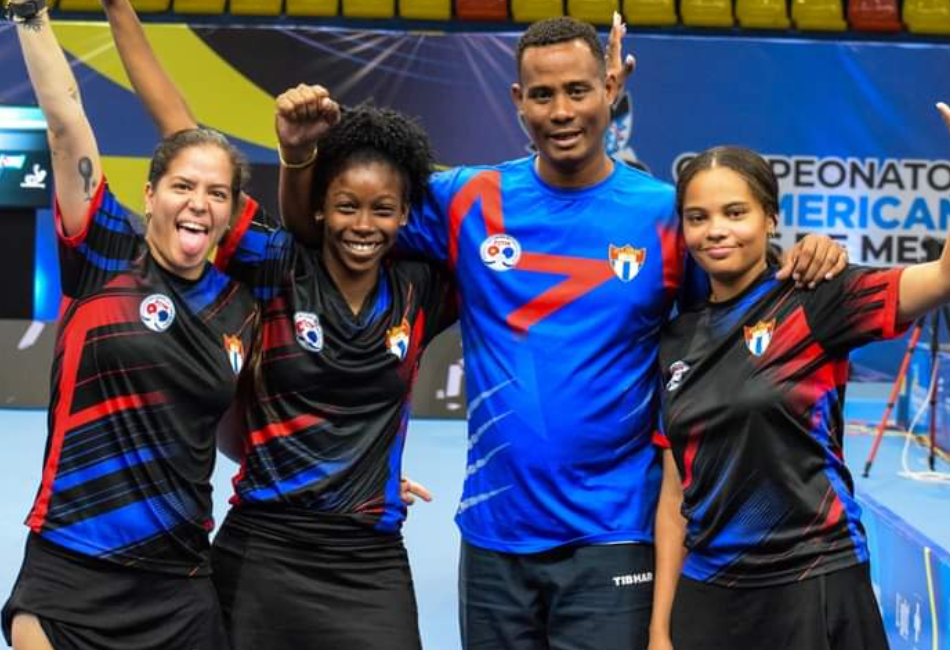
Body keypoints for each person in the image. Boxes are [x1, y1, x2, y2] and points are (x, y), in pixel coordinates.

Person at [277, 15, 849, 650]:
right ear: (518, 102)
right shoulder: (467, 198)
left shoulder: (664, 213)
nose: (561, 111)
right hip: (495, 532)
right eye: (542, 95)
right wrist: (298, 156)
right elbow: (318, 227)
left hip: (617, 534)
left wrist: (812, 254)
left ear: (611, 88)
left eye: (578, 90)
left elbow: (735, 307)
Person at [94, 3, 453, 648]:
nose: (363, 225)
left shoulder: (421, 287)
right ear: (320, 207)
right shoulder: (276, 265)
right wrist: (119, 9)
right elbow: (182, 132)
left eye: (382, 210)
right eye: (346, 206)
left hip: (369, 561)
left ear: (405, 215)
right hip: (263, 549)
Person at [1, 3, 256, 649]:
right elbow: (66, 127)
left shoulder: (240, 308)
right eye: (182, 185)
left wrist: (352, 465)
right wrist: (29, 16)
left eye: (217, 193)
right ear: (149, 194)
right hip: (70, 571)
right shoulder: (106, 250)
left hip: (179, 583)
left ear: (231, 214)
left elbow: (243, 432)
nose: (198, 203)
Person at [650, 130, 950, 649]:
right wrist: (660, 628)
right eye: (698, 218)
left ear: (770, 218)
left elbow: (943, 276)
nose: (716, 230)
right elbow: (676, 495)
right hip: (710, 593)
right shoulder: (676, 340)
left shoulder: (818, 300)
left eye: (735, 213)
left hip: (816, 579)